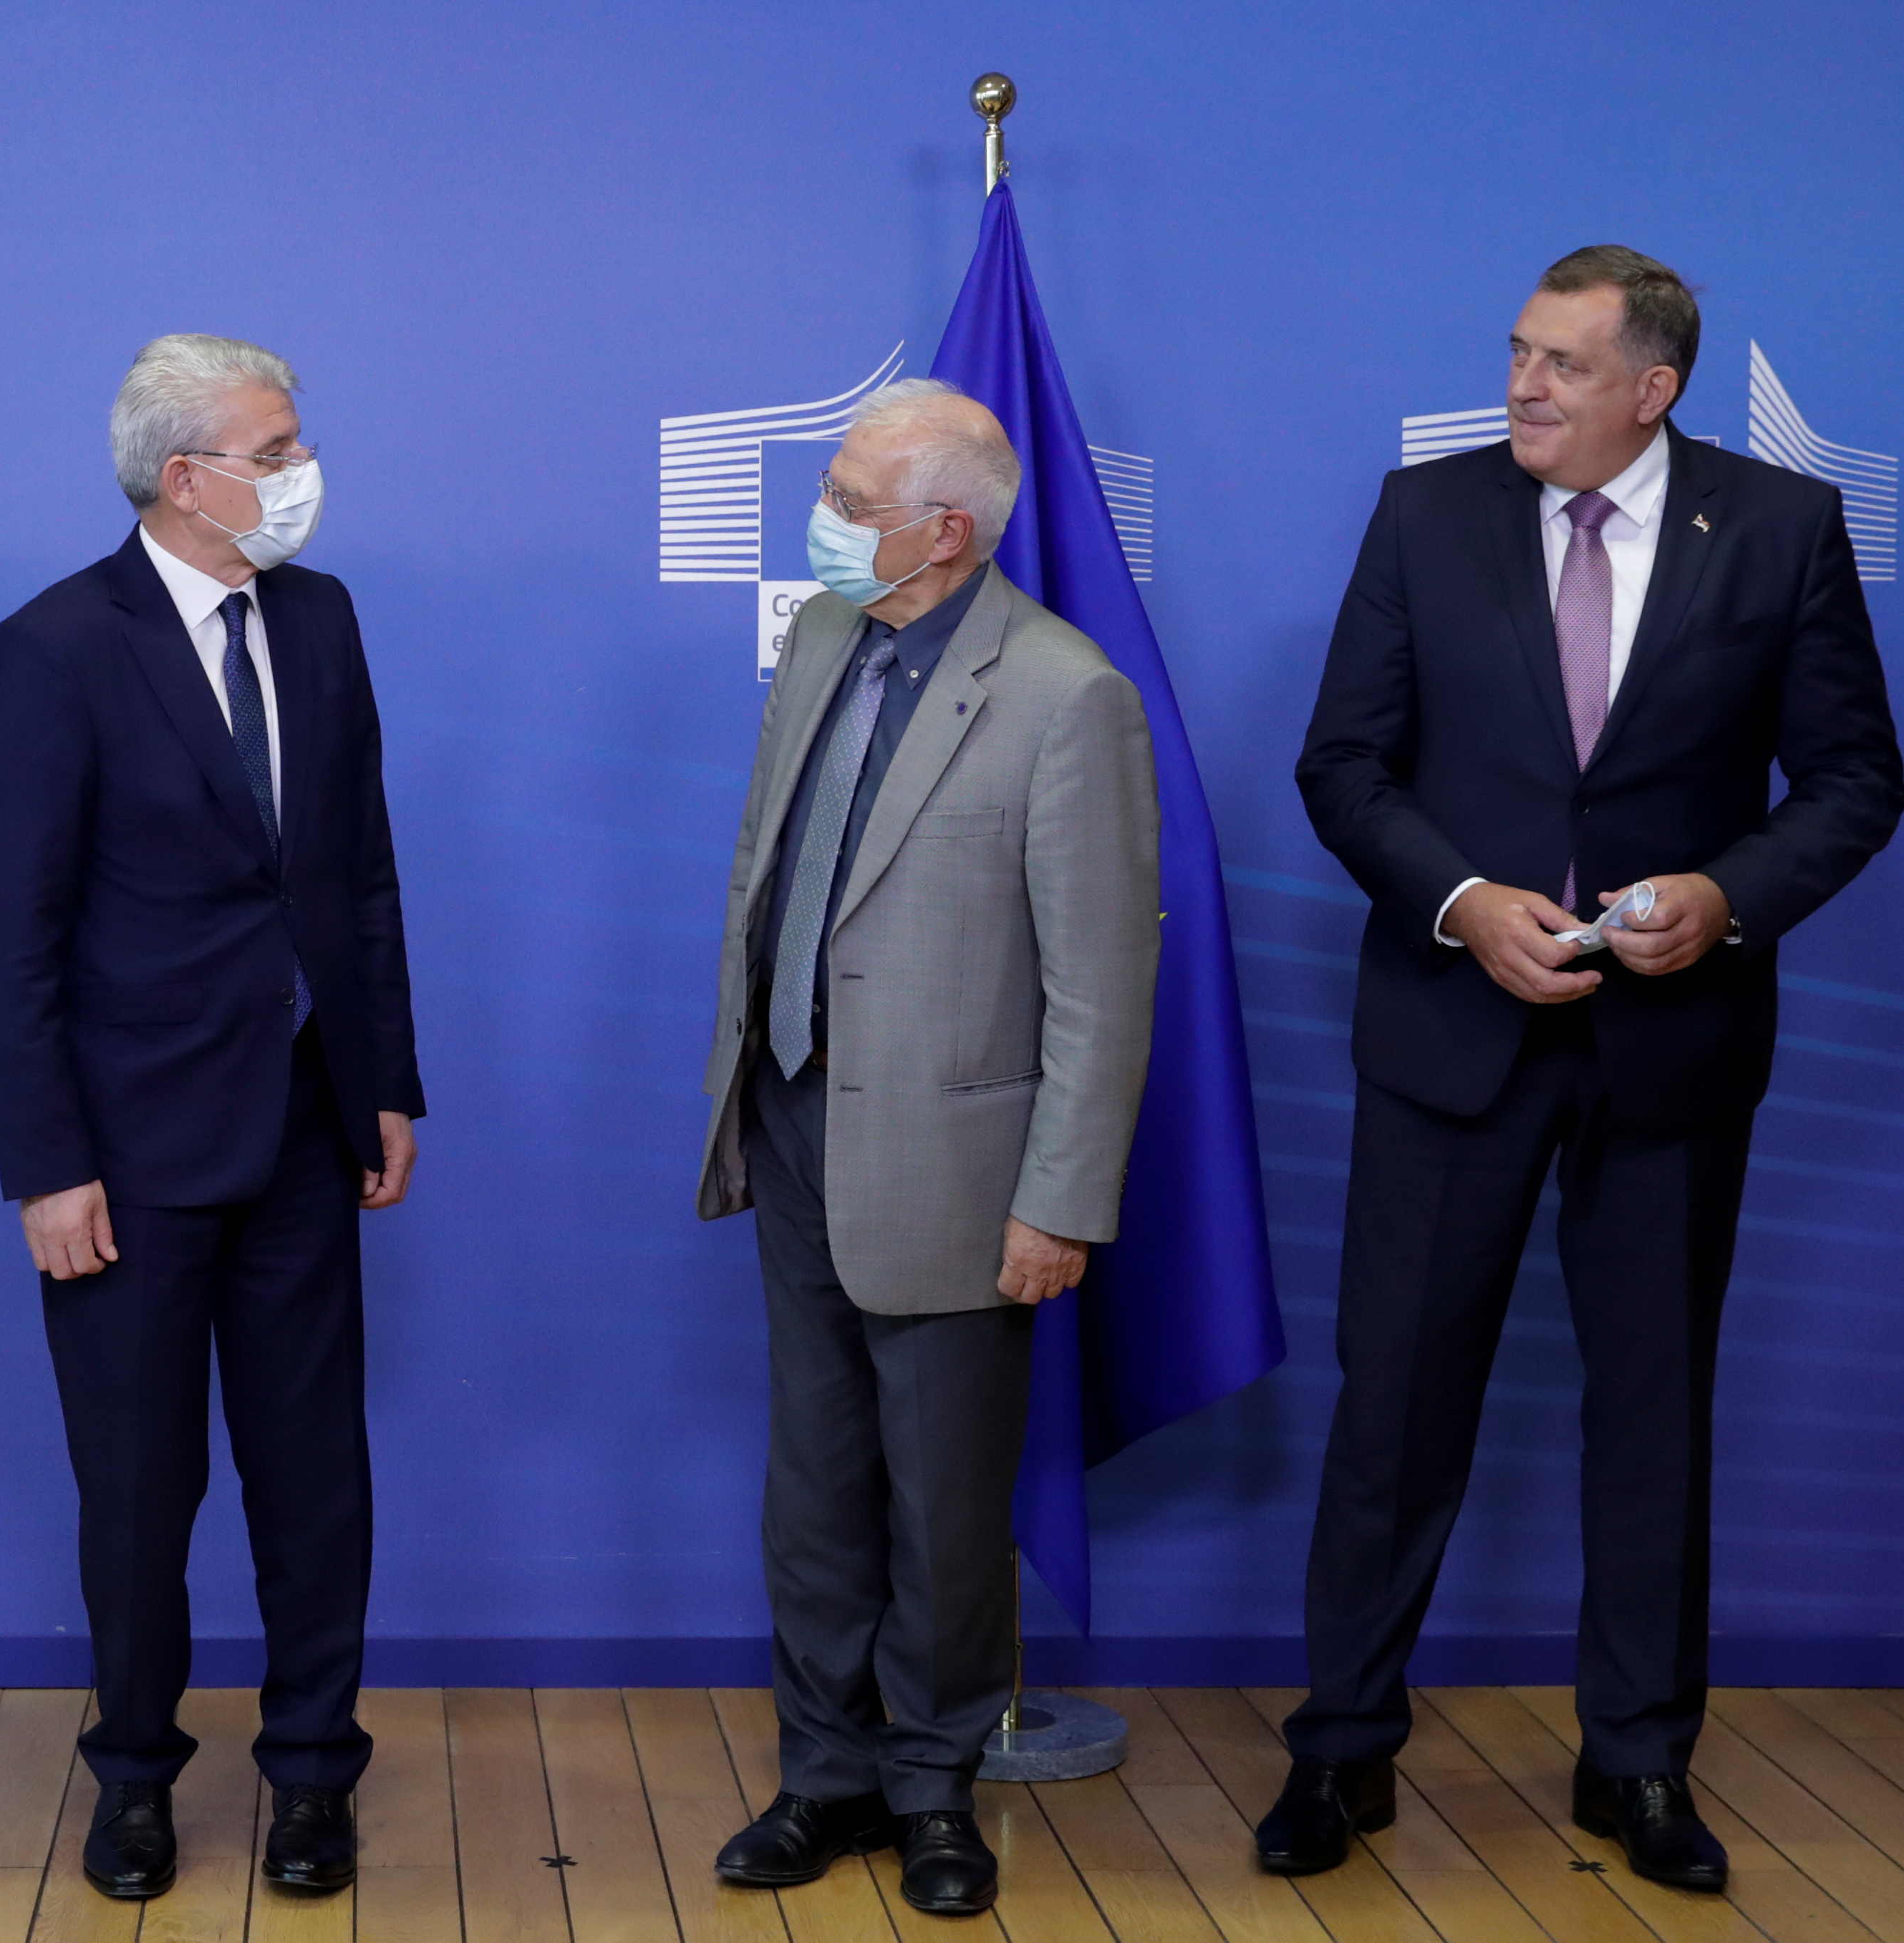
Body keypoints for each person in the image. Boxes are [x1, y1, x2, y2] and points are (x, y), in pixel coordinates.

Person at [1269, 247, 1903, 1893]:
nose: (1521, 385)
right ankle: (1339, 1748)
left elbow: (1852, 776)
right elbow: (1342, 764)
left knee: (1652, 1413)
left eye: (1560, 362)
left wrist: (1725, 898)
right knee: (1393, 1406)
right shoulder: (1423, 514)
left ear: (1652, 388)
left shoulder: (1776, 528)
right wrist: (1461, 902)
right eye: (1515, 352)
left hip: (1669, 1049)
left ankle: (1635, 1760)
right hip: (1449, 1033)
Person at [0, 334, 422, 1903]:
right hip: (125, 1156)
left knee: (314, 1477)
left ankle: (312, 1773)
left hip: (304, 1124)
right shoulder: (56, 644)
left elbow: (358, 872)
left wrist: (383, 1078)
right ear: (184, 477)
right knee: (139, 1490)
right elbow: (11, 931)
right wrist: (47, 1165)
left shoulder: (321, 617)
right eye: (275, 450)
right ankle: (134, 1776)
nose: (303, 472)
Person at [695, 379, 1159, 1918]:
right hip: (793, 1116)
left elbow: (1102, 982)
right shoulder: (827, 637)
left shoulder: (1065, 694)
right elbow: (770, 869)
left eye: (848, 499)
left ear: (945, 530)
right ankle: (823, 1775)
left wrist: (1058, 1201)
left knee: (944, 1507)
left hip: (960, 1168)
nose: (820, 519)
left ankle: (933, 1786)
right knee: (814, 1488)